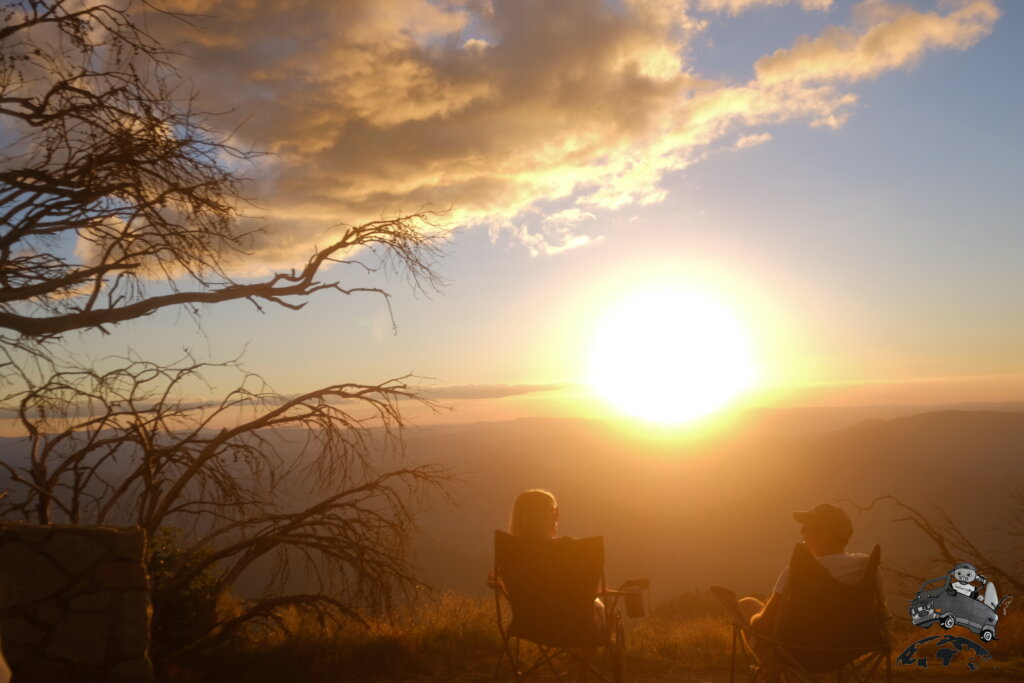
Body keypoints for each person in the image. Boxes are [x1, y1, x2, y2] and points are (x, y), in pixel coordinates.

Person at [738, 503, 886, 676]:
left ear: (825, 537)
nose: (802, 532)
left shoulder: (796, 572)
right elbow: (879, 614)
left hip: (799, 652)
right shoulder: (867, 567)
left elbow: (765, 622)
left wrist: (753, 621)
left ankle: (773, 670)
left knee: (746, 606)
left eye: (808, 528)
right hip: (850, 649)